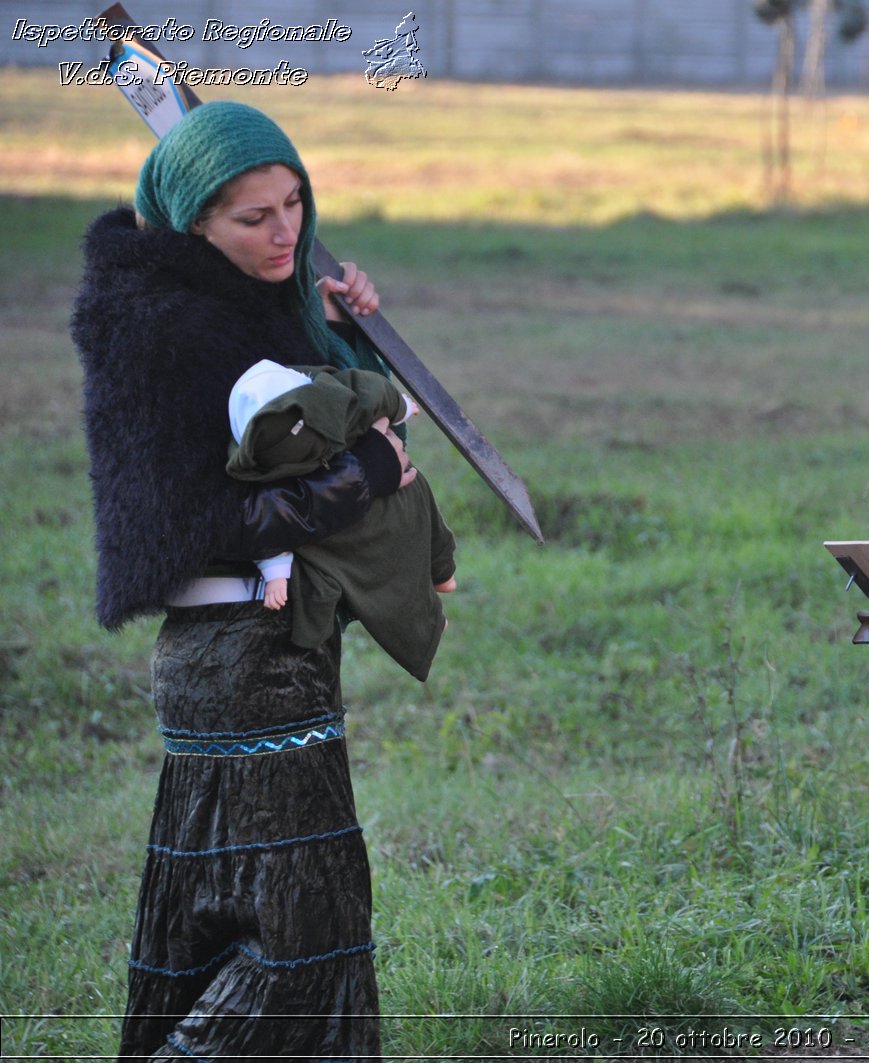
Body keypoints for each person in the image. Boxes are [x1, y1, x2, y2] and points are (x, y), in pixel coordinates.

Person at [72, 100, 417, 1060]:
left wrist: (340, 330)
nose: (286, 232)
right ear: (191, 223)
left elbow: (321, 420)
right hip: (243, 657)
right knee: (305, 940)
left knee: (216, 923)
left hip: (251, 655)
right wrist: (371, 477)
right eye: (252, 218)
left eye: (294, 202)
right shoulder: (163, 334)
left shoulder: (229, 306)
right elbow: (205, 525)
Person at [227, 358, 458, 681]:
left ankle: (441, 571)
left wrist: (401, 408)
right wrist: (276, 572)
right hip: (322, 530)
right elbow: (257, 521)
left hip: (379, 487)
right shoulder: (258, 461)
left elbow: (374, 394)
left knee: (414, 506)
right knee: (321, 586)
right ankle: (426, 622)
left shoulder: (335, 402)